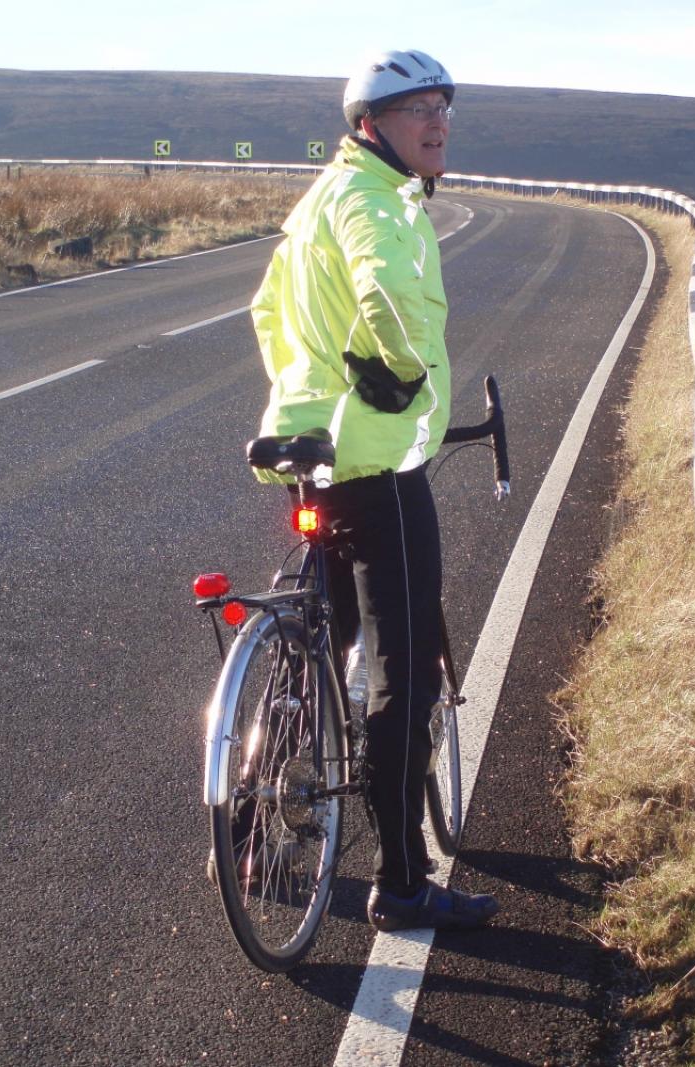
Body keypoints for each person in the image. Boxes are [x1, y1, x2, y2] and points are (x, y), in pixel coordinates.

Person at [249, 49, 499, 932]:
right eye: (415, 107)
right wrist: (392, 376)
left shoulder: (318, 199)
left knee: (319, 620)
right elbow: (389, 291)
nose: (436, 120)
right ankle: (400, 884)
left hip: (311, 444)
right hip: (377, 457)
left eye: (442, 105)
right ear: (370, 124)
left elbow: (269, 312)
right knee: (401, 674)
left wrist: (306, 395)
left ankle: (251, 819)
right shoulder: (375, 201)